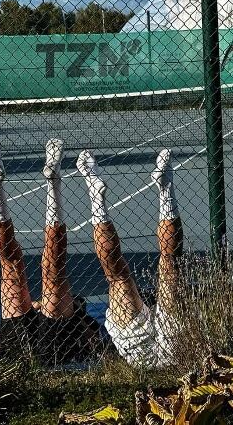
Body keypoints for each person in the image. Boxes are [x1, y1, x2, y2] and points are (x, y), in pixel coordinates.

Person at [0, 134, 102, 363]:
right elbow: (92, 339)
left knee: (13, 266)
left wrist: (40, 306)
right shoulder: (77, 315)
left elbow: (92, 339)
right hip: (54, 341)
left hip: (32, 345)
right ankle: (45, 181)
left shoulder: (80, 318)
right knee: (49, 271)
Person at [77, 147, 183, 368]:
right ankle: (165, 187)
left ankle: (98, 196)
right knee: (169, 261)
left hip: (146, 355)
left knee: (118, 275)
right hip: (162, 356)